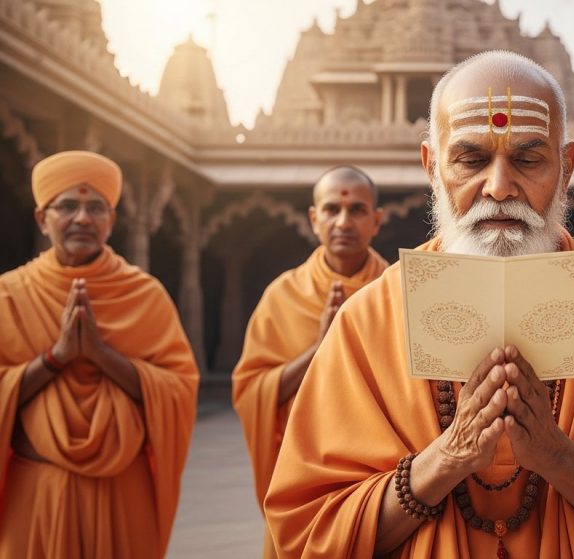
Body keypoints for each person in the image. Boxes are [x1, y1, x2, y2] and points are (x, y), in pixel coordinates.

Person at [263, 50, 574, 558]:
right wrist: (449, 457)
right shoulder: (370, 317)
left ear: (567, 166)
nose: (499, 187)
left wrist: (557, 457)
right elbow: (308, 533)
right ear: (432, 166)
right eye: (470, 159)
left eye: (529, 159)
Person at [0, 151, 199, 557]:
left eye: (96, 208)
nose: (83, 219)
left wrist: (99, 354)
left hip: (123, 490)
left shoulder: (144, 295)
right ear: (42, 218)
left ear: (112, 219)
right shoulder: (9, 295)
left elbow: (178, 389)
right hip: (36, 488)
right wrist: (57, 357)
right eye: (68, 206)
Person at [232, 165, 388, 558]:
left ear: (376, 221)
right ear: (313, 219)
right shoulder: (283, 295)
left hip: (381, 478)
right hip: (302, 473)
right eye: (332, 209)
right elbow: (253, 391)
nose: (343, 221)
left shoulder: (397, 291)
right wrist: (320, 348)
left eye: (356, 211)